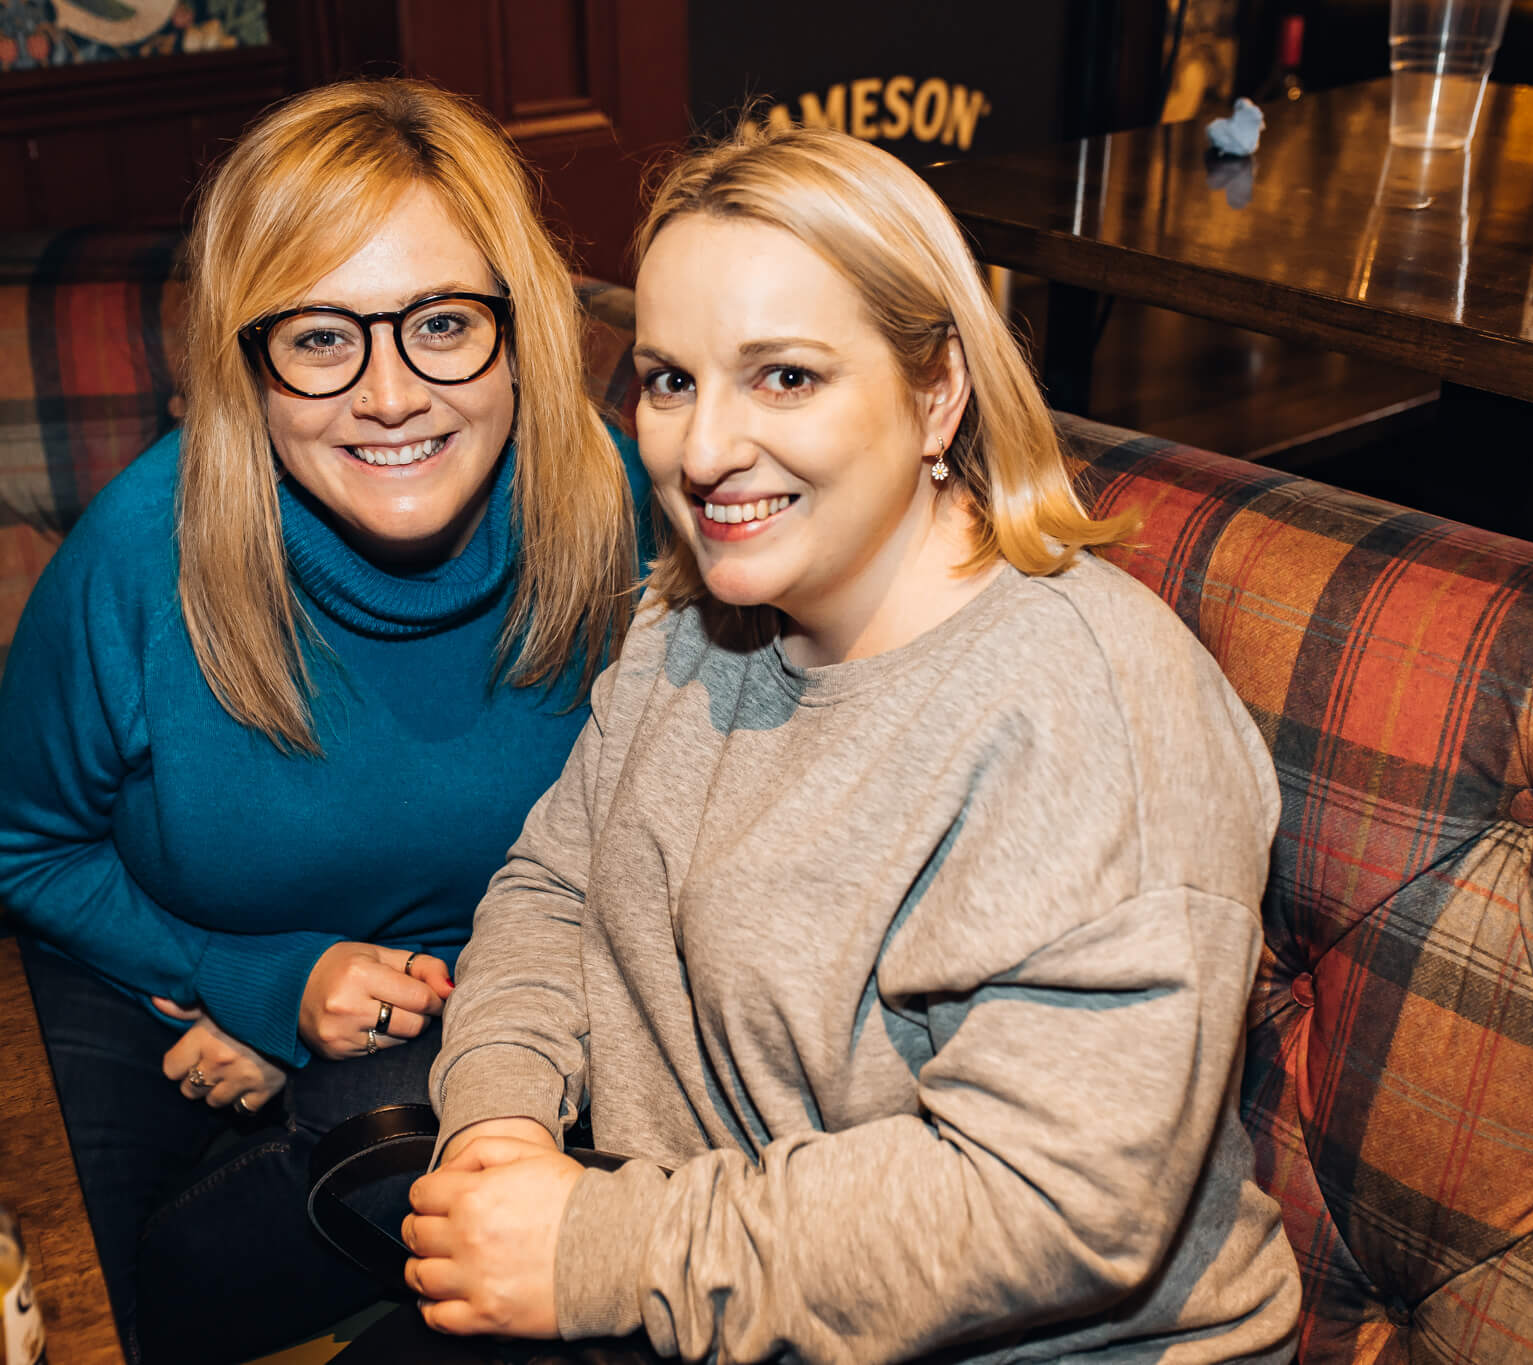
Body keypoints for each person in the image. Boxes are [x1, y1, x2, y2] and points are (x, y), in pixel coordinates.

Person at [404, 123, 1303, 1364]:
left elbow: (1050, 1207)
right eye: (671, 380)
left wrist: (606, 1249)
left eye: (784, 377)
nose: (704, 450)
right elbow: (555, 887)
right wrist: (497, 1121)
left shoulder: (1084, 710)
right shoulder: (690, 621)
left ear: (936, 391)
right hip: (706, 1305)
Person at [0, 79, 648, 1365]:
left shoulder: (611, 503)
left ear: (521, 329)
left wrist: (355, 1017)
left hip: (453, 1005)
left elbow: (648, 825)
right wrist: (264, 985)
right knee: (45, 1308)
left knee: (423, 1174)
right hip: (146, 965)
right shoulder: (138, 552)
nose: (390, 395)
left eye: (443, 323)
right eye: (322, 337)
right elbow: (27, 853)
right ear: (247, 360)